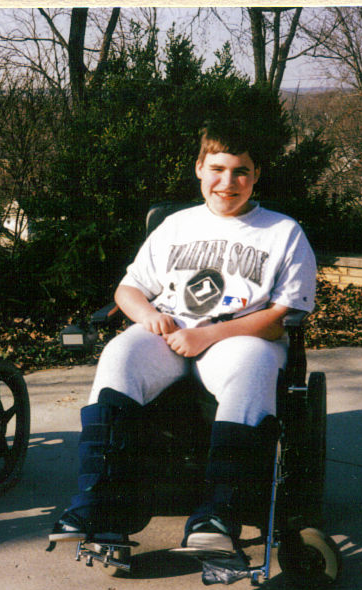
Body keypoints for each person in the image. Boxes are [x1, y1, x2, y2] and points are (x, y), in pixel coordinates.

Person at [49, 120, 317, 555]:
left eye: (240, 172)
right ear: (198, 168)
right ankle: (98, 502)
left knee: (251, 363)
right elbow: (128, 288)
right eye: (217, 169)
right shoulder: (177, 225)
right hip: (172, 329)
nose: (227, 183)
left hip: (242, 336)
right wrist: (149, 315)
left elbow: (280, 317)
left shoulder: (283, 231)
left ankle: (219, 511)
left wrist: (209, 336)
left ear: (256, 174)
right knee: (119, 354)